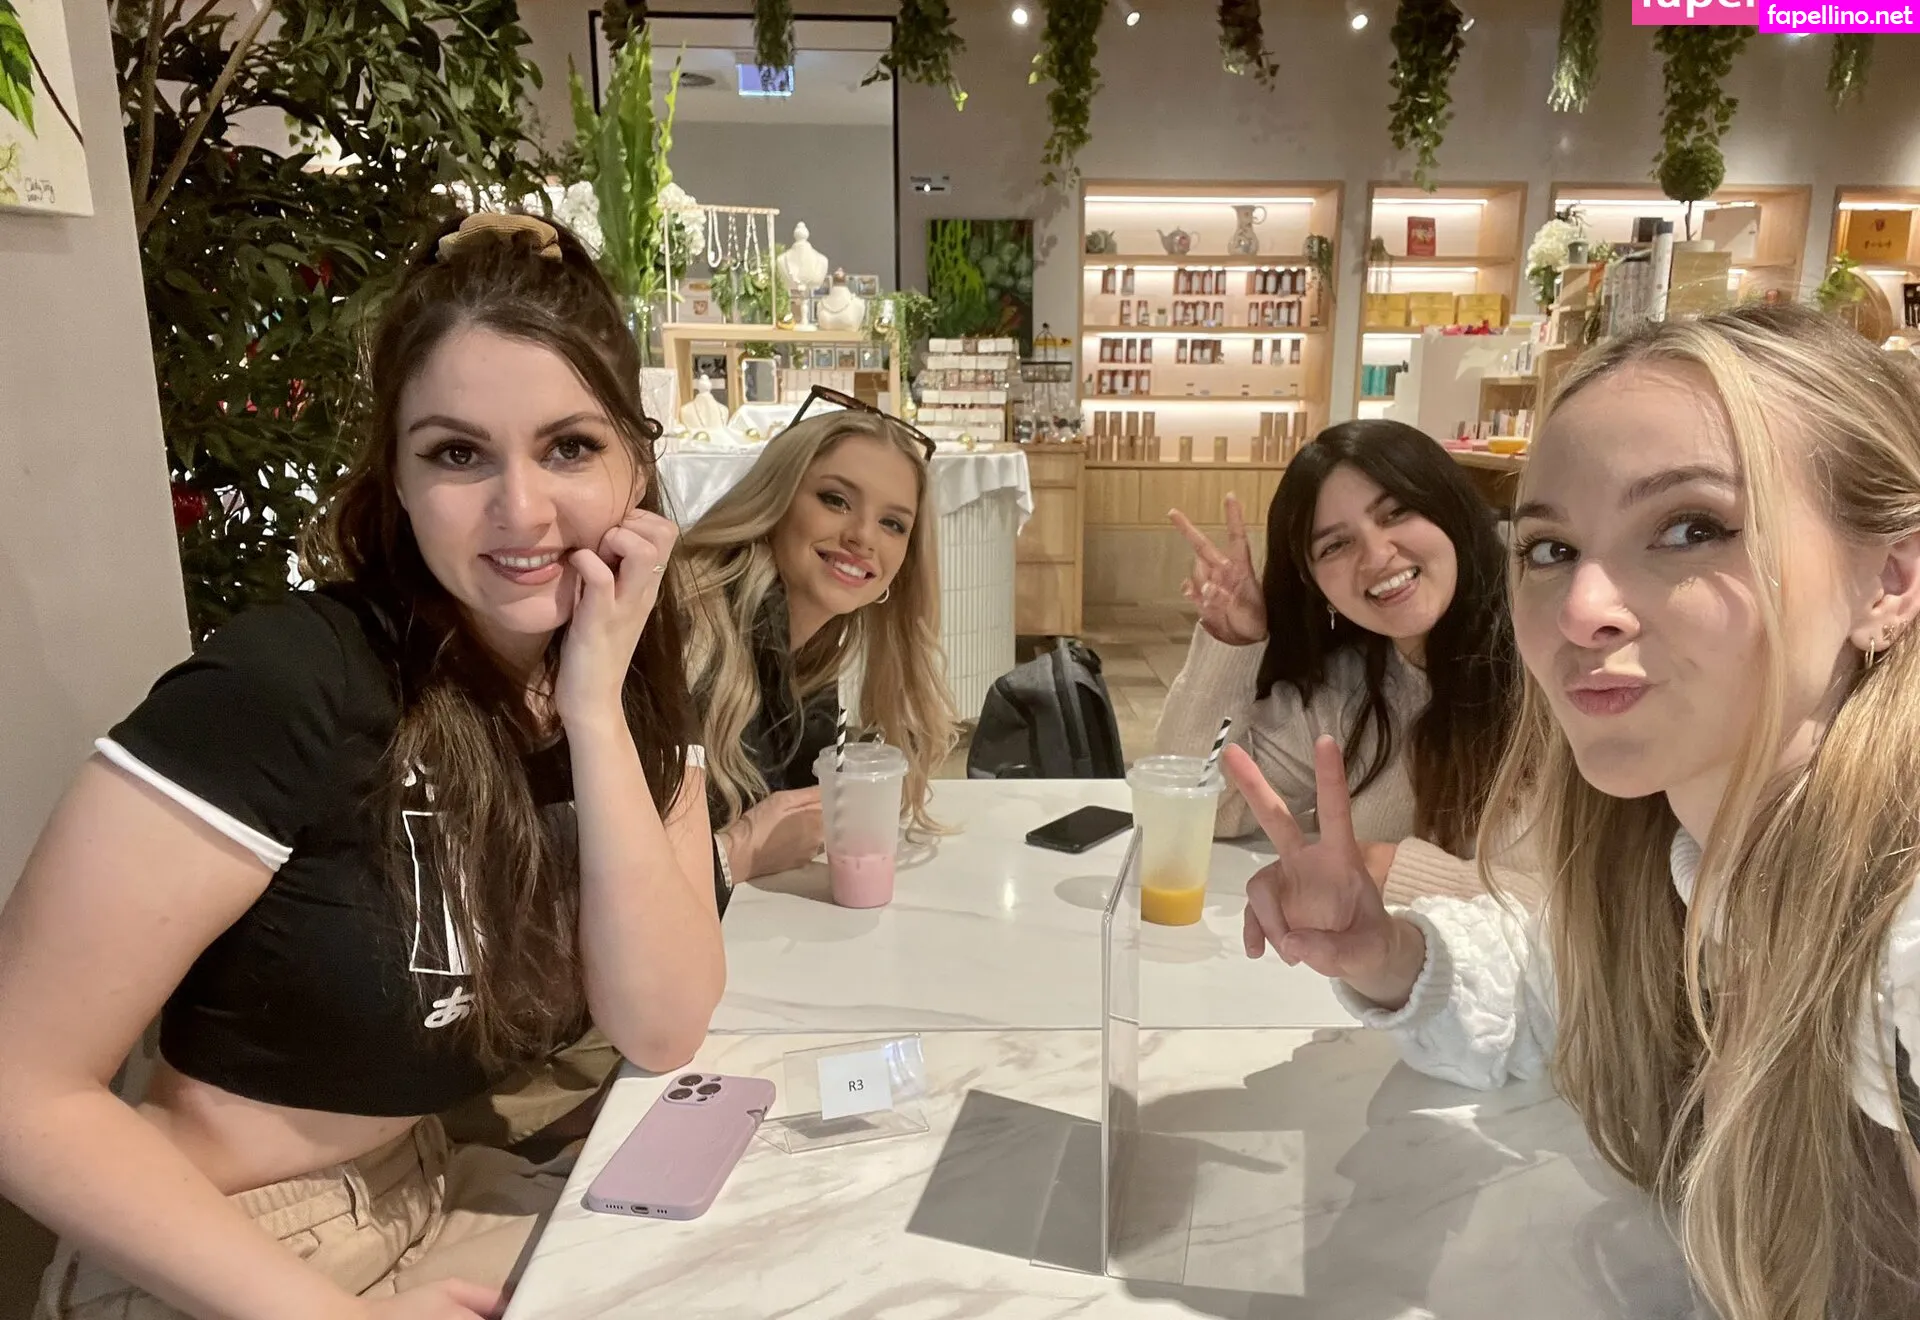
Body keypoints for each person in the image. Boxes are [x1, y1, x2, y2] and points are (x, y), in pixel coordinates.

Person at [0, 211, 726, 1320]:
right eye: (456, 453)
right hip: (235, 1255)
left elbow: (661, 1024)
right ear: (396, 474)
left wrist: (592, 707)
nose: (521, 509)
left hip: (431, 1188)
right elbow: (20, 1086)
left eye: (570, 447)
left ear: (639, 459)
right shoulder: (290, 683)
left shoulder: (616, 678)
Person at [1227, 303, 1920, 1318]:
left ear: (1890, 579)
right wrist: (1383, 952)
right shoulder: (1665, 847)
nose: (1583, 608)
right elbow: (1567, 982)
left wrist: (1398, 872)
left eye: (1690, 528)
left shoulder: (1897, 935)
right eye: (1551, 548)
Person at [1156, 420, 1522, 902]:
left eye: (1396, 513)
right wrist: (1232, 644)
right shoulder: (1347, 690)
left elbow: (1578, 907)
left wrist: (1390, 870)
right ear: (1316, 587)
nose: (1376, 556)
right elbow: (1198, 805)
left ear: (1450, 510)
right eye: (1335, 545)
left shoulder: (1549, 677)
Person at [677, 400, 959, 894]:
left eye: (893, 524)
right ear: (777, 500)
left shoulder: (814, 653)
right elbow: (590, 876)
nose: (863, 537)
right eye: (836, 500)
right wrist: (734, 855)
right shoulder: (686, 635)